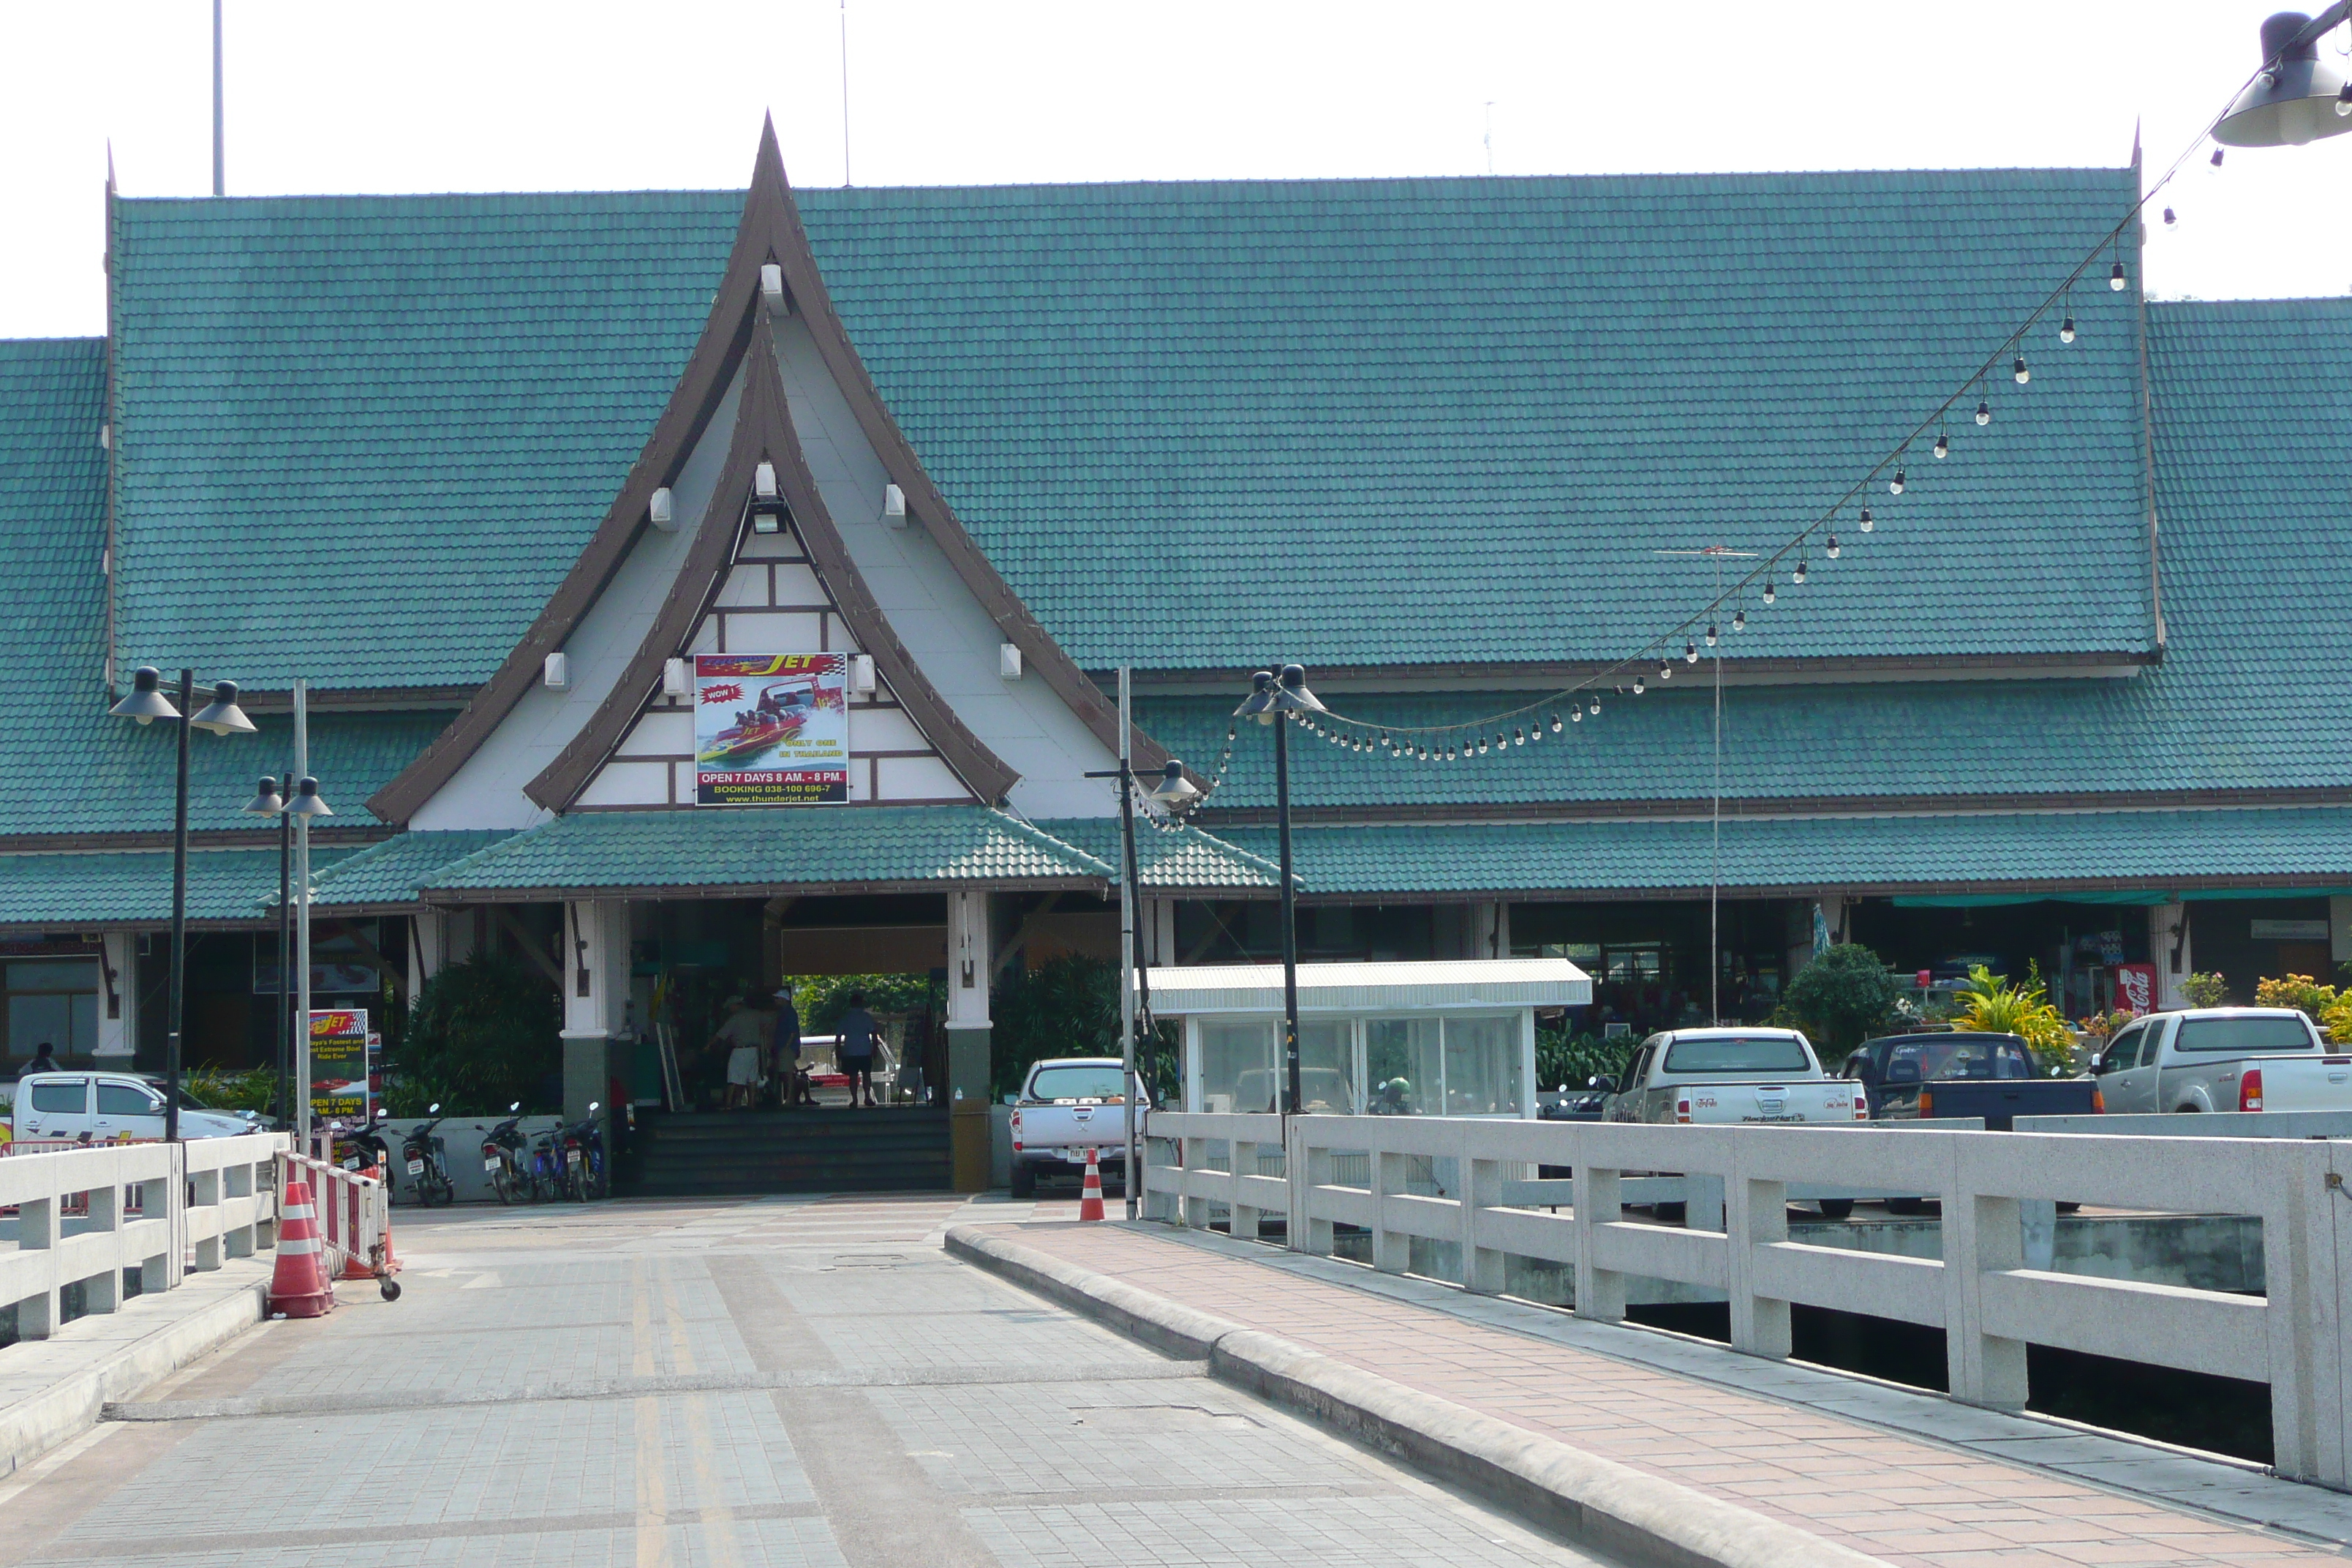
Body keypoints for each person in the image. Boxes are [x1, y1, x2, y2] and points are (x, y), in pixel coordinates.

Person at [709, 996, 766, 1109]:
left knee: (733, 1077)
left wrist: (708, 1046)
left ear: (735, 1005)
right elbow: (767, 1024)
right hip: (754, 1050)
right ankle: (752, 1103)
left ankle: (729, 1104)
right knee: (752, 1078)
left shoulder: (735, 1018)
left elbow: (721, 1035)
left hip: (740, 1050)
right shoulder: (756, 1014)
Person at [836, 990, 879, 1107]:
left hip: (850, 1051)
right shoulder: (866, 1017)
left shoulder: (846, 1018)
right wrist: (874, 1049)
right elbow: (874, 1034)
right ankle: (867, 1097)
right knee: (866, 1075)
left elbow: (838, 1036)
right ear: (861, 1003)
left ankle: (854, 1099)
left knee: (853, 1077)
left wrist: (838, 1050)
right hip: (865, 1050)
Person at [771, 987, 808, 1107]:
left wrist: (787, 1047)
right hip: (784, 1047)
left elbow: (792, 1032)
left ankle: (790, 1098)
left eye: (777, 998)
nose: (775, 1001)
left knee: (787, 1074)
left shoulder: (789, 1013)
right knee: (785, 1073)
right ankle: (790, 1098)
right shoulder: (784, 1012)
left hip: (786, 1048)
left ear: (783, 999)